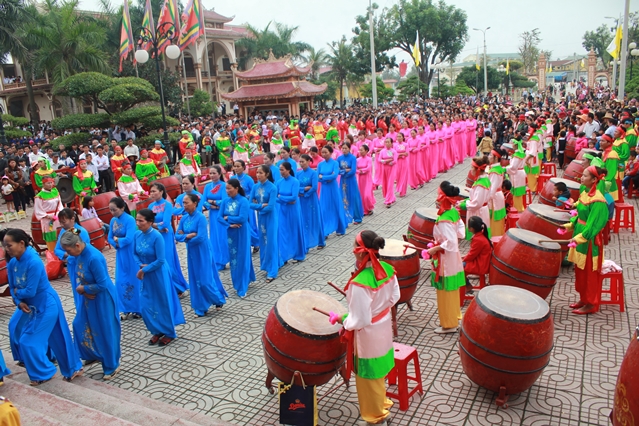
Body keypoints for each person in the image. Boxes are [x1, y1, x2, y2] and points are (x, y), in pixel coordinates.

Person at [335, 230, 400, 426]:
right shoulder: (388, 269)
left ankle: (375, 416)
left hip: (368, 333)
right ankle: (381, 404)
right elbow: (394, 297)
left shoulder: (360, 282)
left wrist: (344, 320)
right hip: (383, 326)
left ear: (362, 253)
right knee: (379, 369)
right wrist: (379, 310)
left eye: (355, 248)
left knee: (368, 375)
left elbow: (360, 319)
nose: (353, 251)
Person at [5, 229, 83, 386]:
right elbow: (12, 287)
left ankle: (48, 372)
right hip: (28, 305)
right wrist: (18, 300)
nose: (6, 249)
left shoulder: (34, 262)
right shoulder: (13, 262)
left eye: (9, 245)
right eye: (4, 245)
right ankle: (45, 367)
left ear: (21, 243)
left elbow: (30, 290)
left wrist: (17, 293)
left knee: (43, 339)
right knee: (18, 331)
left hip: (46, 304)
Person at [60, 230, 121, 380]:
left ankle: (111, 365)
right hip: (89, 297)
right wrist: (84, 290)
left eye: (68, 250)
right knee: (80, 324)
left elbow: (102, 283)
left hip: (102, 298)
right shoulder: (79, 255)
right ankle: (93, 353)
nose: (67, 254)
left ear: (77, 245)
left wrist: (84, 289)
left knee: (105, 330)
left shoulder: (93, 257)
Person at [134, 209, 185, 346]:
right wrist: (141, 266)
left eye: (141, 221)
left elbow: (161, 260)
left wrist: (145, 268)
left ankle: (169, 332)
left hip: (158, 274)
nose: (138, 223)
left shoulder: (157, 236)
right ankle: (156, 329)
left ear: (150, 222)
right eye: (137, 220)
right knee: (147, 303)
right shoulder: (137, 235)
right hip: (146, 274)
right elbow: (135, 254)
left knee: (162, 302)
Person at [562, 166, 609, 315]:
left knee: (589, 273)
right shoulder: (585, 193)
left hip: (588, 241)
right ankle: (584, 298)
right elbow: (580, 216)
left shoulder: (598, 200)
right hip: (580, 236)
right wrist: (570, 225)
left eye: (585, 176)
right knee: (580, 271)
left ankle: (591, 303)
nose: (582, 178)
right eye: (582, 175)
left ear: (594, 180)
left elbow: (593, 224)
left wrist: (579, 238)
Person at [176, 194, 227, 316]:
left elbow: (201, 237)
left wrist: (186, 237)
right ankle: (201, 306)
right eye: (183, 203)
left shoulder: (201, 218)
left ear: (195, 203)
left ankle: (218, 299)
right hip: (192, 252)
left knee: (205, 279)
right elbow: (177, 235)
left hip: (202, 250)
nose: (184, 205)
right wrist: (188, 236)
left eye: (187, 203)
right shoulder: (183, 219)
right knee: (195, 279)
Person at [426, 182, 466, 334]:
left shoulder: (444, 219)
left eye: (438, 194)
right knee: (452, 289)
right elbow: (461, 232)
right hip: (452, 257)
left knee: (445, 291)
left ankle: (448, 324)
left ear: (443, 197)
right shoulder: (453, 212)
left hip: (446, 259)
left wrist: (435, 248)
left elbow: (451, 243)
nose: (436, 197)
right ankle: (454, 317)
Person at [148, 182, 189, 297]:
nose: (152, 194)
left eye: (154, 191)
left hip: (166, 236)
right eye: (150, 192)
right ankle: (165, 287)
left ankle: (178, 288)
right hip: (155, 236)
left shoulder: (167, 204)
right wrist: (157, 226)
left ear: (161, 192)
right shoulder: (150, 206)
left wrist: (154, 225)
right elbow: (148, 221)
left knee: (168, 260)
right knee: (158, 260)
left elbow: (166, 223)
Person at [217, 178, 256, 297]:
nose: (227, 191)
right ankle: (239, 281)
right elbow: (219, 217)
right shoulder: (225, 201)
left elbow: (243, 218)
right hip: (231, 232)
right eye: (226, 189)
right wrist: (229, 224)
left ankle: (242, 286)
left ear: (236, 188)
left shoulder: (243, 201)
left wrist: (227, 218)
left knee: (243, 256)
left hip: (242, 232)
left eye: (229, 188)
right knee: (234, 258)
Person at [107, 197, 141, 320]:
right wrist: (115, 242)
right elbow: (109, 237)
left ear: (122, 207)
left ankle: (138, 308)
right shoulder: (113, 220)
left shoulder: (130, 220)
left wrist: (117, 240)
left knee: (133, 278)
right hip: (120, 252)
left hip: (130, 252)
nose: (112, 213)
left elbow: (129, 238)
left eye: (114, 210)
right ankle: (125, 308)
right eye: (110, 210)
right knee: (121, 280)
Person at [54, 208, 91, 309]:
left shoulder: (80, 232)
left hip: (81, 265)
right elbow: (56, 250)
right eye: (60, 222)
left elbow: (83, 251)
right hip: (71, 266)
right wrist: (67, 254)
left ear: (72, 219)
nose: (62, 225)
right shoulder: (63, 231)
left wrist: (68, 255)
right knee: (76, 291)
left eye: (64, 222)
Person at [249, 165, 281, 282]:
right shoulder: (255, 187)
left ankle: (272, 271)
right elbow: (249, 203)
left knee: (271, 241)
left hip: (271, 217)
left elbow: (271, 207)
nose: (258, 175)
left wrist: (258, 207)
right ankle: (267, 264)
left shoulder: (272, 187)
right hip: (261, 217)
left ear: (267, 174)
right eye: (257, 172)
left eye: (261, 173)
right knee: (263, 241)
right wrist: (260, 206)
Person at [277, 162, 307, 263]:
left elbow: (294, 198)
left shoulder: (295, 182)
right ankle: (284, 255)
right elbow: (275, 198)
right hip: (282, 210)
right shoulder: (279, 182)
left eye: (282, 169)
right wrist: (285, 199)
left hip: (293, 210)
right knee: (283, 232)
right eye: (280, 170)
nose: (281, 172)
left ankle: (298, 254)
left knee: (294, 230)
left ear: (288, 170)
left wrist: (281, 198)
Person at [203, 165, 230, 271]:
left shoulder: (224, 185)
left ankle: (224, 259)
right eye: (210, 173)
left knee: (222, 237)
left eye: (214, 173)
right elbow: (204, 201)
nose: (212, 175)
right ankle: (216, 260)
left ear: (219, 174)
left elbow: (224, 201)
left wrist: (213, 202)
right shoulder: (207, 187)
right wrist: (212, 205)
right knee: (214, 237)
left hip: (221, 214)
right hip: (212, 215)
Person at [297, 154, 326, 250]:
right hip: (301, 200)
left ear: (309, 162)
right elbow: (296, 187)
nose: (301, 164)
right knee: (304, 220)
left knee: (314, 219)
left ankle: (320, 241)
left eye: (303, 162)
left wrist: (305, 194)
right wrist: (304, 189)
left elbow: (314, 187)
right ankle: (306, 242)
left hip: (311, 199)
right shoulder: (298, 173)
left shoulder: (313, 173)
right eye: (300, 162)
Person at [318, 146, 347, 237]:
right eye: (322, 152)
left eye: (326, 152)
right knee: (324, 208)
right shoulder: (320, 164)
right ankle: (326, 229)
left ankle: (340, 227)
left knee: (336, 206)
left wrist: (324, 177)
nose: (324, 154)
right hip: (324, 188)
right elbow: (318, 176)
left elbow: (334, 176)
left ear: (331, 153)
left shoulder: (335, 163)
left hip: (333, 188)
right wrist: (326, 178)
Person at [459, 156, 491, 239]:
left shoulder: (481, 184)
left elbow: (477, 203)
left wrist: (464, 205)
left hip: (478, 212)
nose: (471, 170)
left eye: (472, 168)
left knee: (478, 236)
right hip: (481, 210)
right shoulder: (483, 180)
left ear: (478, 170)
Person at [232, 160, 260, 249]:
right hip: (236, 206)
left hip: (247, 205)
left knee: (250, 224)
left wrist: (246, 197)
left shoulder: (248, 179)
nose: (236, 168)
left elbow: (254, 192)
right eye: (235, 166)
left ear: (243, 167)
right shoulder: (232, 179)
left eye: (238, 166)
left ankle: (256, 242)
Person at [462, 216, 492, 295]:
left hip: (480, 264)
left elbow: (472, 255)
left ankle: (467, 286)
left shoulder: (478, 239)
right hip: (482, 261)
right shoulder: (481, 235)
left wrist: (463, 259)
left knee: (459, 267)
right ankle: (467, 286)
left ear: (472, 228)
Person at [34, 176, 64, 252]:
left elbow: (60, 203)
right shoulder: (39, 196)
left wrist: (60, 212)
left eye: (51, 182)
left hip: (57, 216)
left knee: (60, 234)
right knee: (51, 236)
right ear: (43, 184)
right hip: (47, 219)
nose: (50, 184)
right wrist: (47, 216)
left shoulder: (55, 191)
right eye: (48, 183)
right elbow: (38, 209)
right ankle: (53, 253)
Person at [338, 142, 364, 225]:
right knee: (344, 198)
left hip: (351, 180)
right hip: (343, 181)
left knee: (354, 197)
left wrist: (345, 172)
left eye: (346, 148)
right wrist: (345, 170)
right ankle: (345, 217)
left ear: (349, 149)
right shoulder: (339, 158)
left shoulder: (353, 158)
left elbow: (353, 170)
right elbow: (337, 170)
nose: (344, 150)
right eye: (343, 148)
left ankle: (357, 217)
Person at [487, 148, 507, 237]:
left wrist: (485, 199)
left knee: (495, 220)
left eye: (491, 155)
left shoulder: (494, 171)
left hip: (494, 197)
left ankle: (495, 238)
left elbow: (492, 189)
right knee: (497, 219)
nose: (488, 156)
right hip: (498, 195)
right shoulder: (498, 168)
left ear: (495, 158)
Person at [506, 140, 527, 212]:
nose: (511, 145)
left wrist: (505, 169)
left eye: (512, 144)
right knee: (518, 191)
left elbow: (513, 167)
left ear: (515, 145)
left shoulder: (517, 155)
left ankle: (518, 209)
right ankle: (519, 207)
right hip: (520, 172)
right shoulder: (521, 153)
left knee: (517, 192)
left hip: (517, 174)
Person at [356, 145, 375, 216]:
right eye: (359, 150)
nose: (360, 151)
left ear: (366, 151)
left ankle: (369, 207)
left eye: (362, 150)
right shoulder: (357, 160)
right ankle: (363, 209)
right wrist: (359, 171)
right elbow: (355, 169)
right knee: (361, 194)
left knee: (367, 195)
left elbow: (368, 168)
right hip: (360, 179)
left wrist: (361, 171)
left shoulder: (369, 159)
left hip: (367, 179)